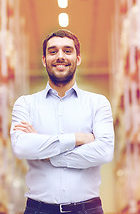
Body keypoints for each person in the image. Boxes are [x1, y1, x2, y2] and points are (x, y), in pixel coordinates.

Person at [10, 29, 114, 214]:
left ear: (78, 58)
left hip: (87, 209)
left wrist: (46, 153)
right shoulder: (25, 104)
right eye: (53, 51)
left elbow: (104, 151)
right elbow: (22, 147)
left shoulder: (97, 103)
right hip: (38, 209)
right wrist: (77, 138)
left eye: (67, 51)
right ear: (44, 60)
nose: (60, 56)